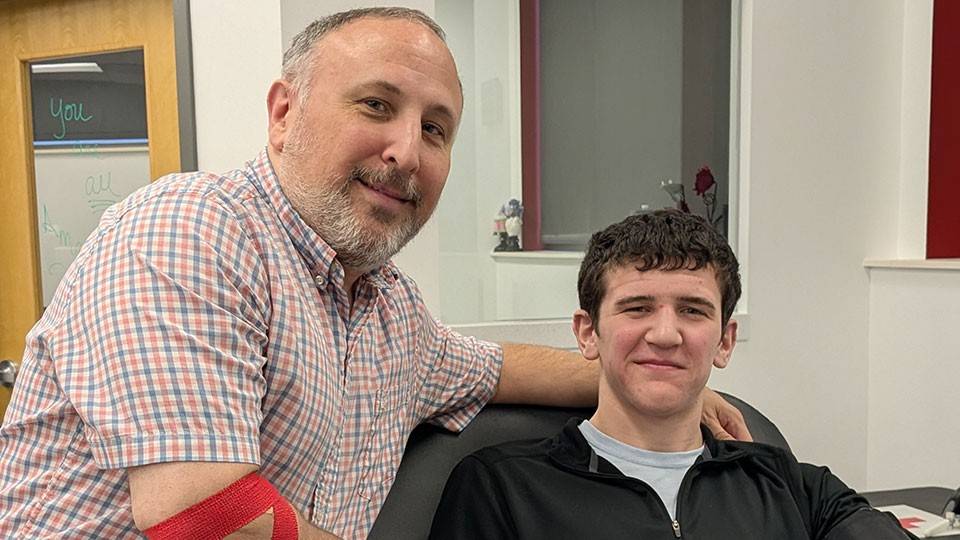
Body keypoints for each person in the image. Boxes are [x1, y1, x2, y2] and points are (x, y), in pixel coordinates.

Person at [0, 8, 748, 540]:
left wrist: (660, 369)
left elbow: (499, 370)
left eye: (434, 128)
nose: (406, 151)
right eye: (376, 104)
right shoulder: (194, 230)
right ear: (284, 113)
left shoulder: (390, 313)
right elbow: (202, 518)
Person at [429, 209, 915, 540]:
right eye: (637, 307)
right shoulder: (503, 488)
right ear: (587, 333)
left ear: (724, 341)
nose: (665, 334)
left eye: (693, 311)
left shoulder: (787, 484)